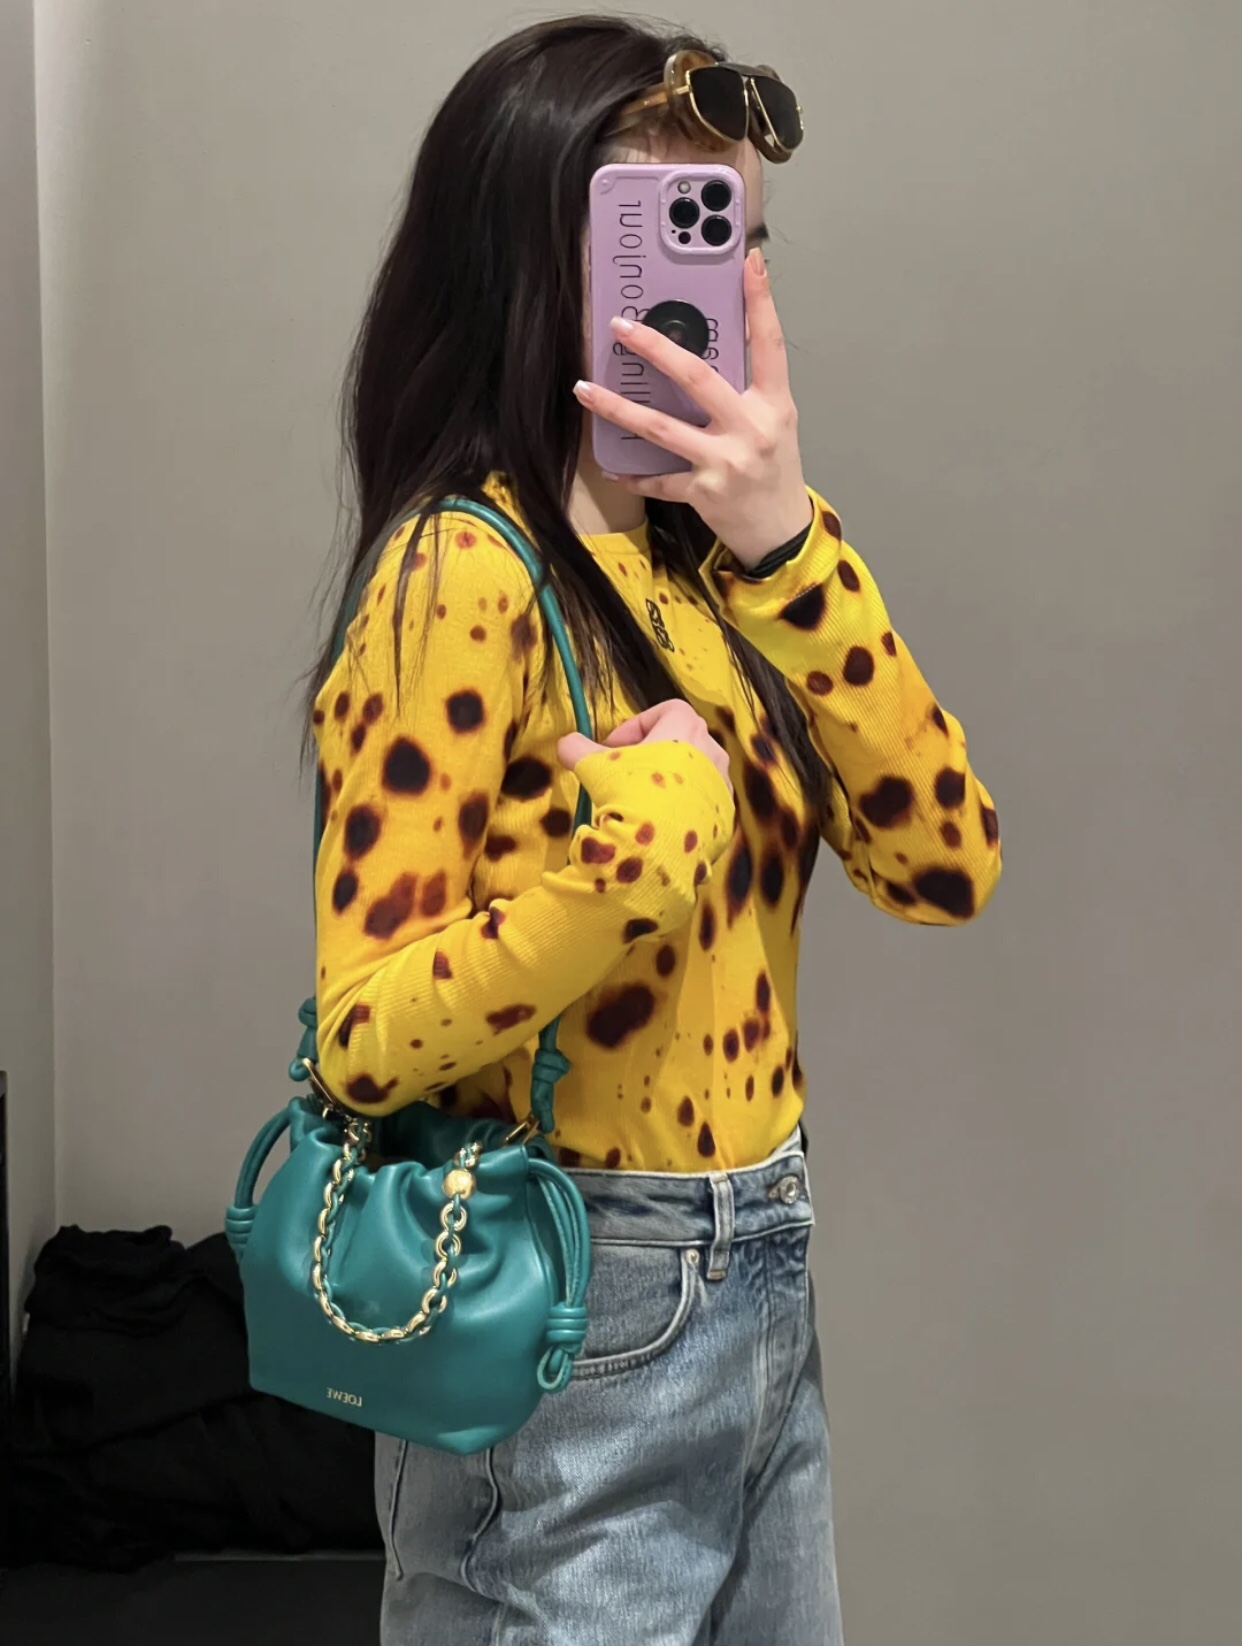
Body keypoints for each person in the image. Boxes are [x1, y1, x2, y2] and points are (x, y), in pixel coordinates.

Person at [306, 15, 1001, 1644]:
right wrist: (631, 860)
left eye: (740, 238)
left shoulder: (731, 567)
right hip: (573, 1297)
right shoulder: (460, 570)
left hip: (759, 1269)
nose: (721, 288)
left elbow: (946, 861)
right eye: (669, 235)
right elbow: (364, 1038)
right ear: (530, 262)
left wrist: (789, 546)